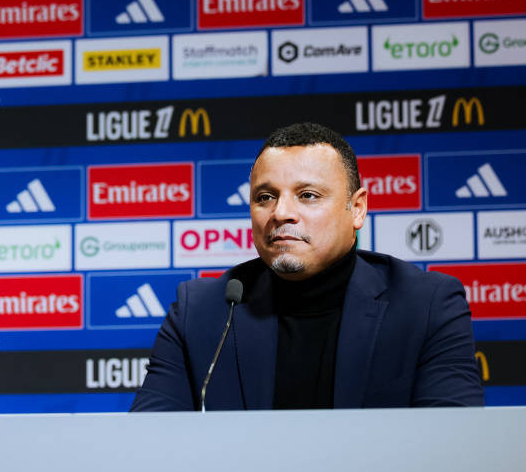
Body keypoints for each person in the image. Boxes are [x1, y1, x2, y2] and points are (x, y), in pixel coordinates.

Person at [132, 122, 483, 411]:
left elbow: (450, 445)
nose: (281, 212)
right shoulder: (201, 310)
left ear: (357, 208)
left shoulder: (427, 306)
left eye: (308, 195)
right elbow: (150, 443)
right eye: (265, 197)